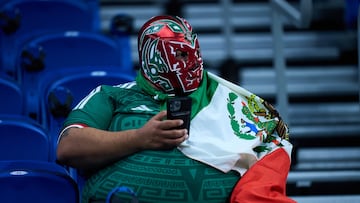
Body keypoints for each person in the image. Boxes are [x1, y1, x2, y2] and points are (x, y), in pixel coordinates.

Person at [56, 15, 295, 203]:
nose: (193, 62)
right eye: (181, 54)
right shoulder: (112, 95)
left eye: (195, 52)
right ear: (153, 57)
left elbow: (265, 151)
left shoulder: (223, 101)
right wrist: (141, 138)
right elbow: (68, 147)